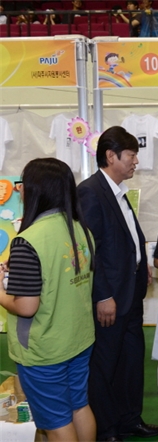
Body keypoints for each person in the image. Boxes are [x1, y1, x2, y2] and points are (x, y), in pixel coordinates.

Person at [77, 126, 158, 442]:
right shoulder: (90, 192)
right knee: (105, 365)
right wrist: (102, 295)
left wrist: (142, 265)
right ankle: (107, 428)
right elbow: (90, 250)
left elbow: (127, 238)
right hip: (110, 299)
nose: (135, 161)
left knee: (130, 361)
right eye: (131, 155)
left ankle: (130, 419)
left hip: (130, 294)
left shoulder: (118, 191)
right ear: (111, 156)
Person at [0, 158, 96, 441]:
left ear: (34, 190)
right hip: (79, 339)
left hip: (45, 348)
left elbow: (26, 307)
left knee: (55, 422)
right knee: (79, 406)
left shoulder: (28, 239)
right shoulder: (81, 230)